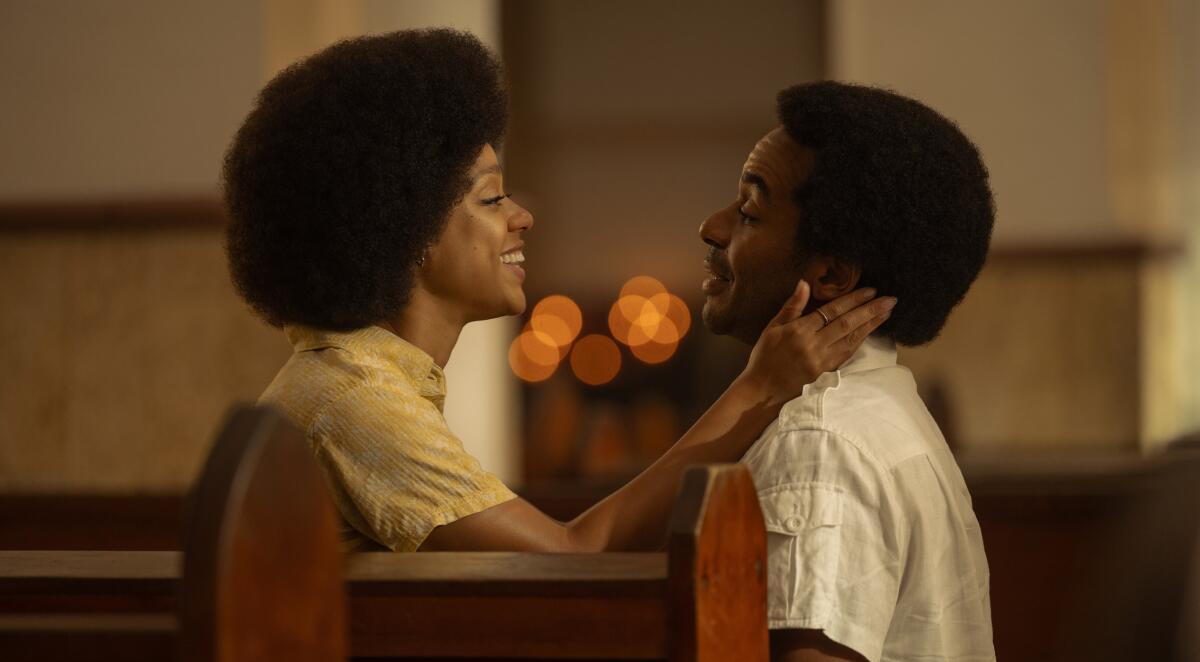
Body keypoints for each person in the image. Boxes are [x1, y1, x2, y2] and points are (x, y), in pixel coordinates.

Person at [223, 29, 895, 554]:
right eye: (492, 198)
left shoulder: (359, 377)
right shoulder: (355, 397)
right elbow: (570, 555)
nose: (523, 217)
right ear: (407, 231)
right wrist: (759, 387)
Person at [698, 82, 1023, 662]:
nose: (714, 227)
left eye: (751, 211)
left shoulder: (824, 439)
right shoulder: (878, 401)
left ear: (832, 274)